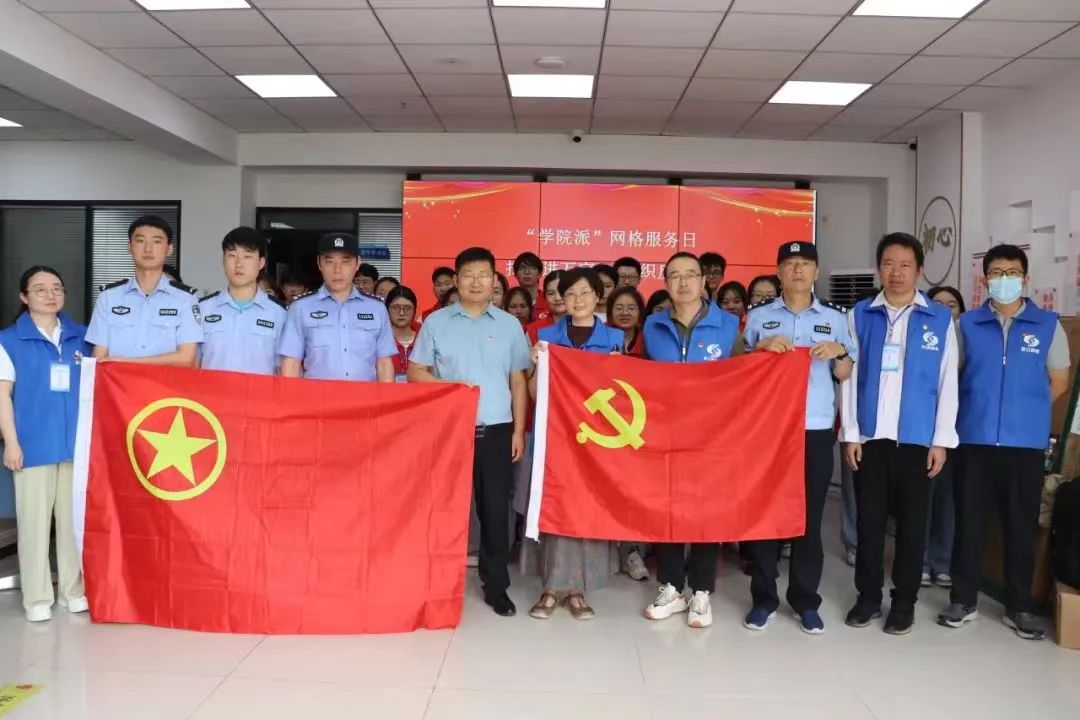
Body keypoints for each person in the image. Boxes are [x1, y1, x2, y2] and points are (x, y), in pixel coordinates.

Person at [939, 245, 1070, 640]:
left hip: (1024, 445)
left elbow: (1059, 380)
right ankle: (963, 599)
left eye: (1012, 273)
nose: (1004, 279)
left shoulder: (1048, 325)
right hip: (973, 440)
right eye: (996, 273)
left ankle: (1019, 607)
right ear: (985, 280)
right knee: (969, 523)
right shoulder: (968, 324)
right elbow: (953, 376)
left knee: (1020, 526)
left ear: (1025, 279)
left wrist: (1022, 413)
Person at [840, 232, 958, 635]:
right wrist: (851, 433)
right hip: (870, 438)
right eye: (889, 264)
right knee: (869, 524)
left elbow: (947, 383)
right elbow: (848, 377)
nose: (896, 272)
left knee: (912, 526)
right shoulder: (860, 314)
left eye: (905, 265)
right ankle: (868, 598)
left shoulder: (939, 318)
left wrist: (941, 440)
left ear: (919, 270)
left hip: (918, 441)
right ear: (879, 268)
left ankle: (904, 602)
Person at [409, 247, 531, 617]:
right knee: (444, 506)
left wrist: (518, 431)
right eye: (468, 275)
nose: (476, 282)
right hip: (448, 430)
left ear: (494, 280)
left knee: (495, 510)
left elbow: (518, 380)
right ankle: (436, 580)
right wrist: (450, 389)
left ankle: (496, 586)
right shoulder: (436, 323)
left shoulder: (509, 325)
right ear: (456, 280)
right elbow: (416, 372)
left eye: (483, 275)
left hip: (496, 430)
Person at [742, 241, 855, 634]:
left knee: (809, 516)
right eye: (790, 264)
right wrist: (760, 348)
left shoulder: (836, 318)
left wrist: (839, 351)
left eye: (805, 264)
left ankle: (806, 600)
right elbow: (740, 369)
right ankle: (763, 599)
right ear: (778, 271)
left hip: (814, 427)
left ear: (816, 272)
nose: (798, 270)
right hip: (768, 429)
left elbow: (845, 373)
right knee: (765, 513)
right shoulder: (759, 316)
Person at [642, 252, 744, 628]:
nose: (683, 282)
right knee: (667, 507)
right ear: (665, 283)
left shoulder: (729, 325)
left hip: (713, 435)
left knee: (706, 511)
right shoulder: (652, 325)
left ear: (704, 282)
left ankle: (701, 590)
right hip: (665, 434)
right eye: (675, 275)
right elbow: (641, 377)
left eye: (690, 275)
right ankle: (671, 586)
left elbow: (744, 376)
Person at [526, 267, 622, 620]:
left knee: (586, 508)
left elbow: (623, 393)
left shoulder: (614, 338)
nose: (577, 300)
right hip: (556, 436)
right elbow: (534, 394)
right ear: (559, 299)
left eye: (585, 293)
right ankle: (551, 589)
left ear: (598, 296)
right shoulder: (546, 337)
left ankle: (578, 590)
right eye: (569, 293)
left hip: (596, 440)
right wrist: (536, 366)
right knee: (554, 505)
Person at [0, 266, 90, 622]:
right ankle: (37, 597)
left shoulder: (82, 337)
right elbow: (2, 397)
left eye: (56, 288)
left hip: (75, 446)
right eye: (39, 289)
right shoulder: (8, 340)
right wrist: (11, 443)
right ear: (24, 297)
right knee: (35, 525)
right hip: (33, 445)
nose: (50, 295)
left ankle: (73, 590)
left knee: (72, 523)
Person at [278, 232, 396, 382]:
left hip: (365, 396)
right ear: (319, 263)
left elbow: (384, 364)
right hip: (318, 396)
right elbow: (291, 364)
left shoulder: (377, 309)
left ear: (357, 263)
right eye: (329, 261)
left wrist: (386, 397)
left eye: (345, 261)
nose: (337, 270)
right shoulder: (300, 308)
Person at [86, 215, 202, 365]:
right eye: (140, 241)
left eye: (157, 242)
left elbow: (186, 359)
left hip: (163, 382)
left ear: (169, 249)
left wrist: (128, 363)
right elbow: (100, 358)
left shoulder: (185, 299)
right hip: (120, 381)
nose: (148, 249)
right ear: (129, 247)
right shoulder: (108, 297)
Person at [921, 286, 965, 588]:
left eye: (952, 305)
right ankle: (921, 561)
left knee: (947, 500)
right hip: (922, 429)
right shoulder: (922, 334)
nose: (945, 310)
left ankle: (942, 561)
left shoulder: (966, 337)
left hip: (957, 431)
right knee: (923, 499)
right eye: (937, 303)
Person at [198, 227, 286, 376]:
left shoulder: (280, 313)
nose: (239, 264)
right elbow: (192, 364)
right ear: (223, 260)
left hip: (260, 391)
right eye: (232, 255)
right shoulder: (202, 309)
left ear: (261, 263)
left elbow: (285, 370)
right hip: (211, 391)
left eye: (247, 256)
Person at [385, 285, 418, 383]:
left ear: (415, 310)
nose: (402, 313)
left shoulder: (425, 337)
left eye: (407, 308)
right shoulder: (379, 339)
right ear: (386, 309)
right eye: (395, 307)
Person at [526, 271, 565, 344]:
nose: (557, 298)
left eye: (562, 292)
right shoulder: (534, 329)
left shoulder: (585, 326)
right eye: (551, 293)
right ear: (545, 297)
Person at [607, 286, 645, 358]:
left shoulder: (647, 339)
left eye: (631, 308)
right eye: (619, 308)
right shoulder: (599, 335)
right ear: (610, 312)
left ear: (640, 312)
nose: (625, 313)